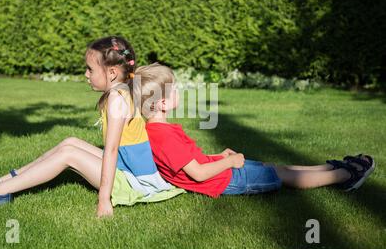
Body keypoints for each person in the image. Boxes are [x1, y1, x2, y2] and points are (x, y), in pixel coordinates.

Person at [0, 37, 184, 217]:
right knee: (70, 142)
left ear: (112, 72)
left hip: (135, 182)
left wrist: (104, 199)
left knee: (69, 154)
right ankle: (5, 180)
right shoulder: (121, 90)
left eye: (90, 70)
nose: (86, 75)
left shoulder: (118, 98)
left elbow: (112, 150)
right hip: (128, 170)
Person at [135, 63, 376, 197]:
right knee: (280, 176)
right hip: (223, 181)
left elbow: (191, 161)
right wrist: (230, 162)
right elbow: (197, 174)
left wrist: (219, 157)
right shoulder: (164, 136)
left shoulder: (157, 130)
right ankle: (346, 176)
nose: (179, 92)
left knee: (274, 168)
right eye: (174, 90)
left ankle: (331, 167)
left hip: (220, 172)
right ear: (163, 102)